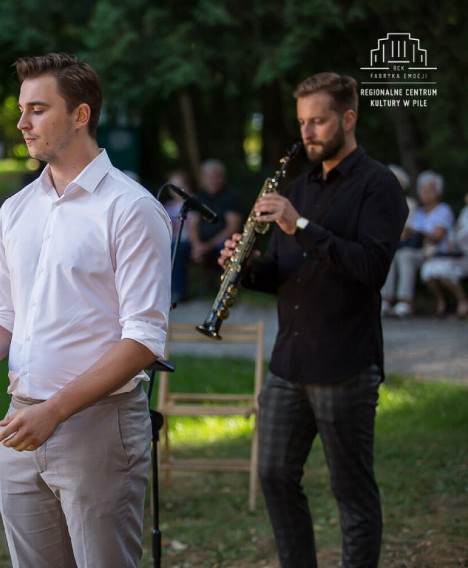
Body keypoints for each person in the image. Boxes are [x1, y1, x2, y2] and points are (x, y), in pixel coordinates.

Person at [0, 53, 171, 567]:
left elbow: (144, 339)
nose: (21, 123)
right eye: (21, 109)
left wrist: (54, 411)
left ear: (80, 116)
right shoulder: (16, 210)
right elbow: (3, 316)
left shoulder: (131, 208)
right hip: (19, 421)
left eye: (37, 109)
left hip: (98, 425)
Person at [219, 72, 407, 567]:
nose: (308, 132)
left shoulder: (378, 185)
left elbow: (371, 268)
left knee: (353, 495)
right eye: (303, 122)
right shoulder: (299, 186)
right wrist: (243, 269)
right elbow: (287, 273)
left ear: (348, 118)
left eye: (319, 121)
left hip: (345, 362)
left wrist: (296, 224)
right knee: (275, 475)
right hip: (290, 363)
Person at [381, 170, 454, 317]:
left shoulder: (443, 210)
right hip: (419, 250)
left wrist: (416, 231)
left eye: (429, 190)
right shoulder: (419, 212)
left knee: (405, 256)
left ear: (438, 192)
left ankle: (405, 301)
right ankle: (386, 300)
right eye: (423, 190)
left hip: (436, 253)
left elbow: (438, 236)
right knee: (394, 254)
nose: (425, 193)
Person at [183, 159, 243, 293]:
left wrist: (207, 246)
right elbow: (192, 224)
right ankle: (177, 292)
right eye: (208, 177)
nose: (212, 180)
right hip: (200, 243)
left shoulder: (231, 196)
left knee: (225, 247)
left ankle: (229, 289)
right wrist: (197, 245)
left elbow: (233, 227)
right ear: (202, 179)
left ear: (223, 178)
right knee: (179, 246)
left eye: (216, 177)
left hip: (221, 242)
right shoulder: (198, 197)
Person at [420, 191, 468, 318]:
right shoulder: (465, 212)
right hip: (458, 254)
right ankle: (444, 302)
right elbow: (456, 233)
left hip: (464, 256)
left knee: (444, 271)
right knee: (430, 270)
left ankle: (462, 300)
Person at [162, 170, 194, 305]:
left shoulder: (193, 203)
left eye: (180, 186)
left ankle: (177, 292)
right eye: (173, 187)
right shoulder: (168, 206)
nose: (177, 191)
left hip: (188, 241)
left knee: (175, 248)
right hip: (172, 240)